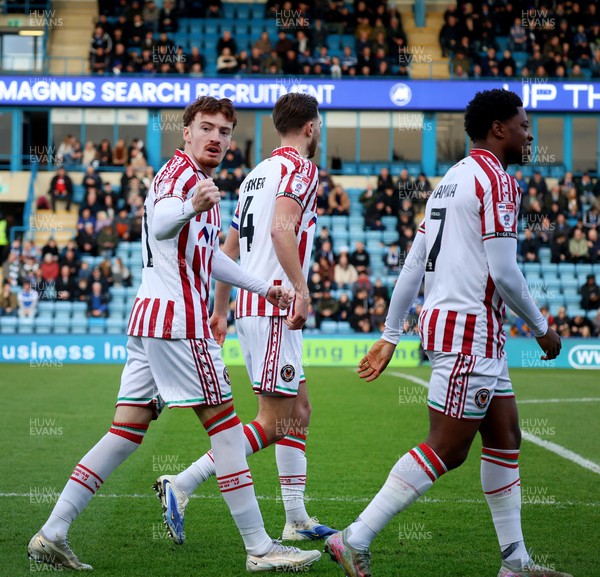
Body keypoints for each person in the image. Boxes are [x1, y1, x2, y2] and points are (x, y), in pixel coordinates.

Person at [28, 96, 321, 572]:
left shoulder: (196, 181)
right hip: (179, 323)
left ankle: (53, 531)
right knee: (227, 431)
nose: (217, 139)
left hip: (150, 320)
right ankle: (261, 548)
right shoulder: (182, 177)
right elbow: (164, 222)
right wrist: (189, 205)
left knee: (125, 433)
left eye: (225, 132)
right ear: (186, 132)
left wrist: (263, 286)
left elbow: (210, 256)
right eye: (206, 128)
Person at [324, 89, 569, 577]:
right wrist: (542, 329)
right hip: (467, 329)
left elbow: (414, 263)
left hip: (466, 330)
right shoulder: (496, 181)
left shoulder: (450, 180)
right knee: (449, 447)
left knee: (505, 437)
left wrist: (392, 334)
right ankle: (354, 537)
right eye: (523, 124)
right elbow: (503, 271)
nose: (529, 133)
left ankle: (515, 563)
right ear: (498, 128)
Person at [153, 93, 336, 547]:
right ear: (311, 127)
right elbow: (280, 230)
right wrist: (302, 289)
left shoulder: (256, 174)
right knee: (273, 422)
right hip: (274, 307)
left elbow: (228, 247)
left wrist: (219, 309)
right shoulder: (301, 169)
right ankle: (184, 482)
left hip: (253, 308)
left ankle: (295, 517)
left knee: (300, 411)